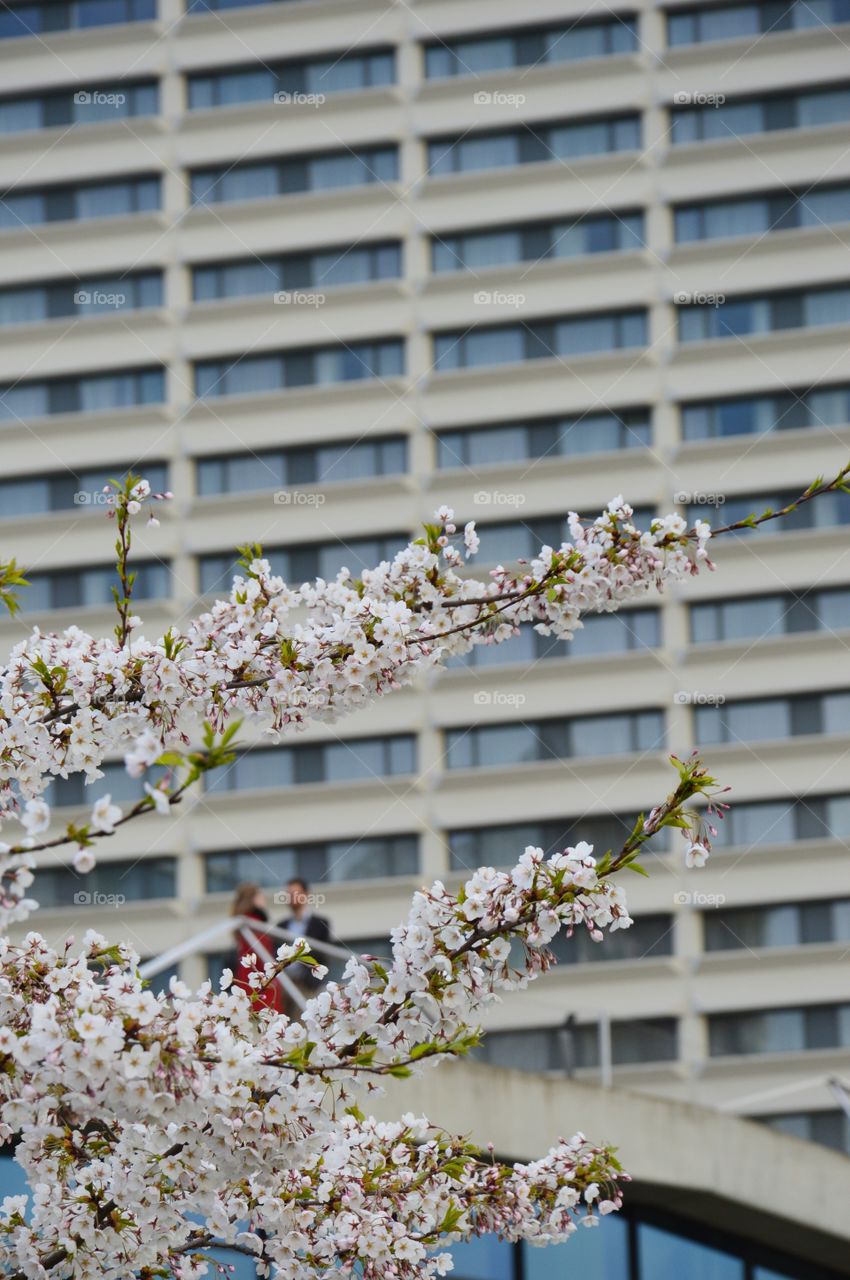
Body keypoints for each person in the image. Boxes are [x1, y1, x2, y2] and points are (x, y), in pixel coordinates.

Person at [229, 882, 284, 1013]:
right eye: (260, 896)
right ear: (252, 899)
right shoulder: (254, 923)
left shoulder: (245, 922)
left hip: (248, 977)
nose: (263, 899)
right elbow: (262, 953)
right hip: (259, 979)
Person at [276, 877, 332, 996]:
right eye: (289, 894)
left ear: (306, 895)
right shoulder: (280, 926)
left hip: (308, 985)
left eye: (296, 893)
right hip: (284, 986)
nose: (292, 897)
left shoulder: (320, 924)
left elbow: (323, 954)